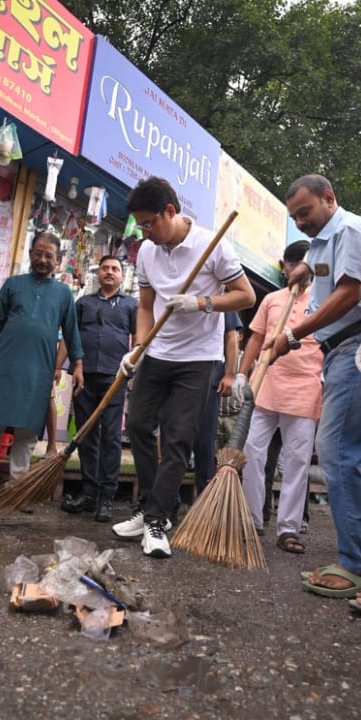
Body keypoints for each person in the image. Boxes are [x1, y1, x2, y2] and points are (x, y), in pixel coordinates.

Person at [112, 176, 255, 559]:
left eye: (148, 223)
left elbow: (246, 295)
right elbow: (145, 307)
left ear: (170, 212)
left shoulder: (212, 245)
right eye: (139, 225)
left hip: (198, 360)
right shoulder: (146, 251)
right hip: (157, 354)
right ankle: (150, 507)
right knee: (139, 426)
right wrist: (138, 348)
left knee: (177, 439)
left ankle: (157, 519)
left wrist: (202, 303)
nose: (144, 231)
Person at [268, 174, 361, 598]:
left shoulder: (351, 229)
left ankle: (353, 564)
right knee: (348, 455)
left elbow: (350, 291)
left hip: (353, 345)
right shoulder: (326, 242)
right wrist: (307, 265)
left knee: (338, 453)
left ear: (329, 198)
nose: (300, 222)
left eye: (305, 212)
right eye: (294, 218)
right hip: (340, 353)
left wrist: (294, 333)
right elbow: (326, 267)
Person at [0, 232, 85, 507]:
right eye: (38, 253)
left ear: (58, 261)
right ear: (30, 254)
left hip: (38, 371)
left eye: (48, 255)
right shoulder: (13, 285)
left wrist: (78, 365)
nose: (42, 259)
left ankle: (18, 488)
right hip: (4, 365)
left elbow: (72, 333)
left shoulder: (64, 294)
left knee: (26, 433)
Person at [234, 241, 319, 552]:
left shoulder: (322, 301)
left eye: (301, 263)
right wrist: (242, 373)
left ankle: (288, 529)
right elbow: (255, 338)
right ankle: (253, 520)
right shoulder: (271, 299)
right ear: (285, 266)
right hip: (265, 385)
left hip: (306, 389)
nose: (295, 268)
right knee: (253, 452)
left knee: (296, 461)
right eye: (290, 262)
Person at [61, 255, 137, 522]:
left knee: (111, 438)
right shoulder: (84, 303)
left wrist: (133, 372)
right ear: (99, 273)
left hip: (116, 377)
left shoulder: (131, 305)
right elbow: (73, 337)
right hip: (85, 377)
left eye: (115, 269)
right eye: (105, 268)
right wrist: (74, 367)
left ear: (121, 275)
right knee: (87, 435)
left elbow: (138, 340)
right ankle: (89, 492)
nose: (109, 272)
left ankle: (107, 497)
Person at [190, 311, 241, 493]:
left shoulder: (223, 299)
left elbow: (231, 337)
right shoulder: (177, 293)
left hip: (209, 372)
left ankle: (205, 496)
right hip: (177, 367)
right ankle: (168, 505)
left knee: (205, 441)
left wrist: (229, 374)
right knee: (173, 438)